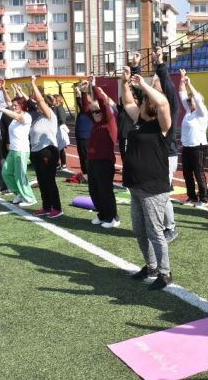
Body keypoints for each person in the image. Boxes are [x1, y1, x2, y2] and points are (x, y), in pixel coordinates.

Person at [121, 70, 173, 290]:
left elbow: (163, 104)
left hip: (153, 188)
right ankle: (151, 266)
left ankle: (165, 272)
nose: (139, 102)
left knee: (155, 232)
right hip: (135, 186)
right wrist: (124, 82)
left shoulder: (160, 126)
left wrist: (144, 85)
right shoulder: (139, 122)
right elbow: (126, 101)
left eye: (142, 100)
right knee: (139, 231)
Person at [81, 83, 120, 229]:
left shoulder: (109, 122)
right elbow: (86, 109)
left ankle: (112, 217)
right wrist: (84, 92)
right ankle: (102, 214)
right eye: (94, 113)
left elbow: (103, 104)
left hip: (105, 162)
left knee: (105, 191)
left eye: (97, 112)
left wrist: (94, 87)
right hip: (93, 162)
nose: (95, 114)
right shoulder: (96, 122)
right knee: (94, 191)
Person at [151, 47, 179, 243]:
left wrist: (160, 65)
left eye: (156, 85)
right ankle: (159, 225)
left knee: (163, 194)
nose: (153, 87)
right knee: (154, 193)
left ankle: (170, 228)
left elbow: (168, 87)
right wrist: (135, 70)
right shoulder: (149, 107)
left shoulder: (169, 105)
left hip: (167, 155)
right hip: (153, 155)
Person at [0, 96, 37, 206]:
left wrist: (0, 108)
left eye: (16, 105)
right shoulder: (15, 117)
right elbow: (12, 110)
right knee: (6, 172)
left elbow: (16, 115)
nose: (13, 107)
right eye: (13, 105)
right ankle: (19, 193)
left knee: (20, 176)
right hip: (13, 150)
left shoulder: (26, 116)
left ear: (22, 105)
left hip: (21, 150)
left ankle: (30, 198)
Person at [28, 76, 63, 218]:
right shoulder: (39, 118)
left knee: (49, 181)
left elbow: (40, 100)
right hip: (36, 152)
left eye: (39, 105)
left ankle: (57, 208)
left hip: (47, 151)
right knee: (42, 181)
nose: (37, 106)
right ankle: (46, 207)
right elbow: (31, 100)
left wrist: (33, 84)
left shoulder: (50, 116)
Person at [178, 68, 208, 207]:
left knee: (198, 173)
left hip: (198, 147)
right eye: (189, 101)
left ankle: (204, 198)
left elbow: (196, 98)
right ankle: (192, 197)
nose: (190, 102)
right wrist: (182, 79)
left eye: (192, 101)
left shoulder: (202, 114)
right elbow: (181, 94)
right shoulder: (189, 112)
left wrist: (190, 84)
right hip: (187, 147)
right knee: (187, 174)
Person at [74, 81, 94, 183]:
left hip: (86, 136)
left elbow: (83, 102)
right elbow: (79, 101)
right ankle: (85, 173)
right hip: (80, 135)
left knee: (86, 156)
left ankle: (88, 174)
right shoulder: (83, 108)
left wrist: (83, 92)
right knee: (82, 155)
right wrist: (78, 91)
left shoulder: (89, 109)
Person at [49, 94, 70, 170]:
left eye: (53, 99)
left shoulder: (59, 108)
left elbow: (62, 118)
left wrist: (60, 124)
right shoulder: (55, 107)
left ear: (57, 100)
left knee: (60, 147)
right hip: (55, 128)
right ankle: (57, 163)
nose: (52, 101)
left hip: (59, 129)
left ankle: (63, 164)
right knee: (56, 147)